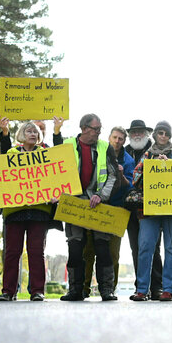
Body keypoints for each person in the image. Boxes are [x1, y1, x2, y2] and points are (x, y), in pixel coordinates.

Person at [130, 121, 172, 301]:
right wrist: (152, 167)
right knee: (145, 248)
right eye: (160, 133)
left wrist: (171, 167)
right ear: (155, 135)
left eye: (166, 133)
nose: (163, 136)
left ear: (170, 136)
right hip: (149, 211)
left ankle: (168, 290)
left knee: (171, 249)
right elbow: (135, 179)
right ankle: (142, 289)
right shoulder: (147, 155)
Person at [59, 114, 119, 302]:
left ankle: (106, 290)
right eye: (96, 129)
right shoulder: (66, 145)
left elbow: (112, 175)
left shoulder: (105, 147)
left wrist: (100, 196)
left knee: (103, 248)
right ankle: (75, 290)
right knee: (75, 248)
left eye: (100, 129)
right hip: (74, 204)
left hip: (98, 204)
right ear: (84, 128)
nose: (99, 133)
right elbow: (55, 172)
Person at [0, 122, 52, 301]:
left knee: (36, 252)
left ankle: (37, 291)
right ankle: (8, 291)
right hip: (15, 210)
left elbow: (54, 178)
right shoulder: (11, 154)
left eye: (35, 131)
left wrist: (55, 192)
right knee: (12, 251)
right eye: (29, 131)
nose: (33, 134)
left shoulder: (45, 155)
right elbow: (1, 177)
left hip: (39, 210)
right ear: (21, 134)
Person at [81, 126, 134, 297]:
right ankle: (84, 288)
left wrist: (121, 175)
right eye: (115, 137)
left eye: (121, 139)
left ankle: (109, 289)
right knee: (88, 250)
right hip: (94, 206)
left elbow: (130, 187)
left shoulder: (128, 160)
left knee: (112, 253)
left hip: (116, 209)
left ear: (124, 141)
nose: (117, 141)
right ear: (109, 137)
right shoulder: (99, 151)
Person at [124, 119, 163, 300]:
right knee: (136, 248)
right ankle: (141, 287)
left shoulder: (157, 151)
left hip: (153, 207)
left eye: (140, 131)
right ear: (129, 135)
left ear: (147, 134)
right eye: (134, 132)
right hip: (131, 208)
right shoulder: (124, 152)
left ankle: (157, 287)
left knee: (153, 248)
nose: (137, 135)